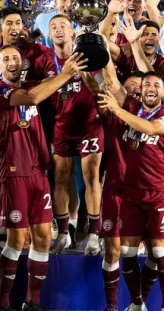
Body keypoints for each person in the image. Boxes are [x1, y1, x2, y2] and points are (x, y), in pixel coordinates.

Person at [0, 46, 87, 311]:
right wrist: (65, 74)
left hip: (38, 173)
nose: (12, 62)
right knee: (15, 240)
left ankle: (33, 302)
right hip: (13, 173)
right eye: (6, 58)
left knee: (43, 237)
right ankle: (2, 303)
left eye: (15, 58)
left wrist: (70, 70)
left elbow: (46, 88)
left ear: (23, 63)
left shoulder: (33, 84)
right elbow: (32, 98)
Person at [97, 71, 164, 311]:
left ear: (163, 91)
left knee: (160, 251)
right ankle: (137, 304)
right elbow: (112, 81)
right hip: (131, 195)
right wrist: (104, 50)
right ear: (140, 91)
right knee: (127, 251)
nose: (151, 88)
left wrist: (117, 110)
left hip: (158, 194)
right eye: (147, 84)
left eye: (156, 85)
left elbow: (151, 129)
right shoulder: (132, 106)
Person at [49, 15, 105, 256]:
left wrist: (84, 73)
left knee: (91, 176)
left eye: (63, 25)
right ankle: (63, 233)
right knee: (61, 178)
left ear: (73, 32)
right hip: (62, 126)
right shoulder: (44, 60)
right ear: (49, 34)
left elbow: (101, 91)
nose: (58, 30)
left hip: (89, 125)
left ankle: (94, 235)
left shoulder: (89, 55)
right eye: (53, 27)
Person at [97, 64, 143, 311]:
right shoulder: (112, 114)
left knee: (154, 251)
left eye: (140, 86)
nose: (135, 90)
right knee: (113, 250)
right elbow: (109, 81)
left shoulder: (159, 117)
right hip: (116, 190)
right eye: (130, 86)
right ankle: (112, 304)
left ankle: (141, 303)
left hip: (147, 193)